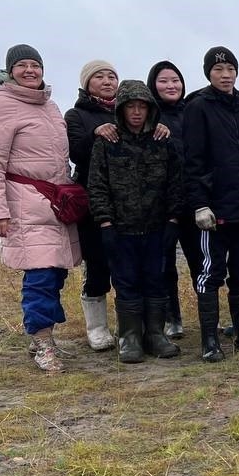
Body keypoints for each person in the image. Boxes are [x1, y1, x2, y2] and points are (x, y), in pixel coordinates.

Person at [0, 45, 82, 372]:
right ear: (10, 71)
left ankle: (44, 336)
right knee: (40, 275)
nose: (29, 71)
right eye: (21, 65)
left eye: (34, 65)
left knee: (55, 273)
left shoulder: (49, 106)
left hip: (54, 203)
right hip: (23, 203)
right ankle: (42, 344)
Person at [183, 46, 239, 361]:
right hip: (215, 209)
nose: (225, 75)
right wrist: (199, 203)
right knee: (211, 272)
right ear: (208, 73)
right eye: (219, 70)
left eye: (231, 70)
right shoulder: (198, 108)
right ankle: (210, 340)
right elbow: (192, 160)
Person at [87, 80, 184, 363]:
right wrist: (105, 224)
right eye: (131, 106)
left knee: (156, 281)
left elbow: (176, 184)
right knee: (126, 281)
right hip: (120, 228)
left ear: (150, 109)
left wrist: (174, 219)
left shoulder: (163, 141)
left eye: (142, 106)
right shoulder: (106, 143)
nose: (137, 112)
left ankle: (155, 334)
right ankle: (129, 337)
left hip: (157, 227)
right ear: (121, 109)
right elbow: (97, 185)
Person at [65, 59, 120, 352]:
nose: (108, 81)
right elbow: (75, 152)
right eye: (100, 76)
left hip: (126, 201)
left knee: (126, 265)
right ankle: (97, 328)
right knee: (97, 265)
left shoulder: (129, 111)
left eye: (112, 76)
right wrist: (95, 132)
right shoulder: (76, 115)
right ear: (87, 83)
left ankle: (130, 324)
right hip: (92, 200)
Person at [148, 60, 196, 339]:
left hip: (193, 202)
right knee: (164, 265)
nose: (171, 86)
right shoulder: (147, 116)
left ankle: (206, 315)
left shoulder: (193, 114)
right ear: (153, 84)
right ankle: (171, 318)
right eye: (164, 81)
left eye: (175, 80)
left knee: (199, 262)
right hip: (162, 206)